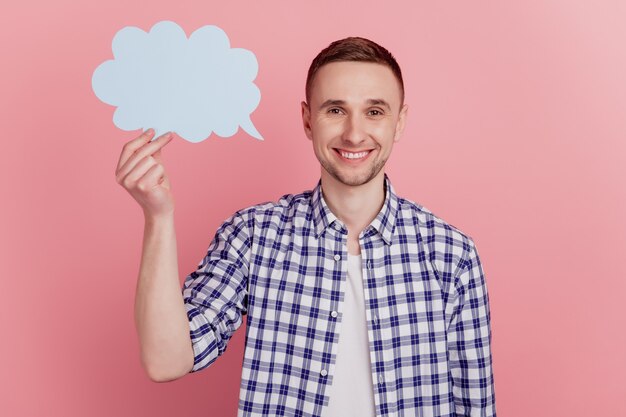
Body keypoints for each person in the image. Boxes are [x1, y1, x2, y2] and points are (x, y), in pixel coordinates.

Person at [116, 37, 496, 417]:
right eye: (335, 110)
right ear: (307, 119)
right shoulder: (253, 237)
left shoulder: (452, 255)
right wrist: (158, 216)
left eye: (375, 112)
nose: (354, 133)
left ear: (399, 123)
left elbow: (475, 406)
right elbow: (167, 361)